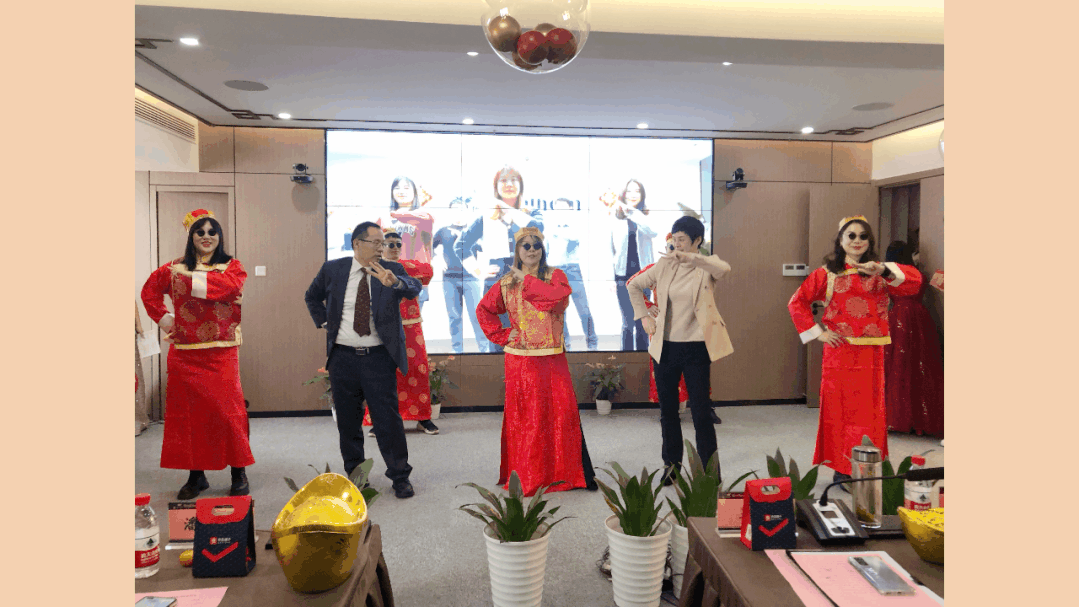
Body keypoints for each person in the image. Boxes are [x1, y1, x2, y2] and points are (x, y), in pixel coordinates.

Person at [787, 216, 923, 486]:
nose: (857, 241)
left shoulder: (880, 272)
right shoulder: (827, 273)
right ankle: (842, 468)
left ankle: (866, 466)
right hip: (840, 353)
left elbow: (915, 282)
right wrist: (820, 333)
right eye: (851, 235)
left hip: (871, 354)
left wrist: (882, 270)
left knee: (870, 413)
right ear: (840, 240)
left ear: (870, 241)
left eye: (863, 236)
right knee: (840, 412)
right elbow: (797, 302)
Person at [140, 209, 254, 499]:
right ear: (191, 236)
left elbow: (227, 288)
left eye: (212, 232)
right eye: (199, 232)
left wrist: (188, 279)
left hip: (221, 352)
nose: (206, 236)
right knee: (189, 418)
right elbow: (149, 292)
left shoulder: (232, 267)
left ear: (219, 236)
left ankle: (238, 472)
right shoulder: (173, 268)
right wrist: (167, 321)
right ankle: (196, 475)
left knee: (228, 414)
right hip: (185, 353)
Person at [304, 221, 423, 499]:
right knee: (348, 422)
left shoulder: (391, 269)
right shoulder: (333, 269)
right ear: (357, 244)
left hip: (378, 358)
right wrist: (325, 323)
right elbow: (311, 297)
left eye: (384, 243)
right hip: (342, 358)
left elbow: (414, 287)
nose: (382, 247)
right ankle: (356, 478)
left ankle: (400, 476)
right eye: (376, 242)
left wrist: (395, 283)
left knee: (387, 421)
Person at [476, 227, 597, 497]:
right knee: (526, 418)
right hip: (519, 361)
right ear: (517, 250)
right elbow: (484, 310)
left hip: (551, 359)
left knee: (560, 414)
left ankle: (565, 473)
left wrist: (526, 279)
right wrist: (503, 335)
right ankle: (529, 475)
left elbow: (555, 300)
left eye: (537, 246)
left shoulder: (556, 276)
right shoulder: (506, 282)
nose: (532, 250)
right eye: (526, 246)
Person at [627, 216, 732, 484]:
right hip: (665, 348)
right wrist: (644, 317)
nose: (676, 244)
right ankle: (671, 467)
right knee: (668, 412)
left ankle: (710, 473)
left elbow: (724, 269)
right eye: (674, 239)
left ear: (697, 241)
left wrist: (692, 258)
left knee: (701, 413)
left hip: (696, 347)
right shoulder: (664, 264)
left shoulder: (706, 265)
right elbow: (633, 285)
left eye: (682, 239)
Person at [455, 166, 543, 352]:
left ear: (521, 185)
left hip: (528, 274)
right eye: (503, 180)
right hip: (498, 276)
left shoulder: (531, 213)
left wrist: (508, 210)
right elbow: (460, 245)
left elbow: (538, 230)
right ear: (496, 186)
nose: (509, 184)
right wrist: (477, 270)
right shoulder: (486, 216)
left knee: (531, 332)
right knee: (499, 335)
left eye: (513, 180)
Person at [363, 229, 440, 435]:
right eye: (390, 244)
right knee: (382, 372)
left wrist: (395, 268)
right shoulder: (371, 268)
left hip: (411, 326)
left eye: (398, 244)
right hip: (382, 326)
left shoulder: (407, 266)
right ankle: (379, 420)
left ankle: (423, 418)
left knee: (418, 369)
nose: (395, 248)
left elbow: (428, 271)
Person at [883, 241, 944, 437]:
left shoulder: (888, 273)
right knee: (920, 364)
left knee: (898, 364)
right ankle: (921, 417)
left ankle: (896, 418)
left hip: (898, 316)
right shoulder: (916, 273)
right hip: (919, 317)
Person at [431, 197, 489, 353]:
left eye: (461, 209)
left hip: (471, 279)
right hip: (449, 280)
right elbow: (428, 248)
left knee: (477, 316)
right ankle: (457, 350)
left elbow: (489, 248)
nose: (458, 212)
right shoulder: (443, 231)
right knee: (454, 317)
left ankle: (485, 349)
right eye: (455, 209)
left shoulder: (474, 231)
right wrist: (436, 257)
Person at [610, 179, 659, 351]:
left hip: (643, 278)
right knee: (627, 323)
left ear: (642, 195)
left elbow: (653, 232)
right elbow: (610, 249)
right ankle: (626, 360)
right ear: (624, 194)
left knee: (642, 321)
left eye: (637, 191)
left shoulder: (644, 216)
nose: (633, 195)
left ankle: (643, 360)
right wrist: (610, 278)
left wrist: (633, 212)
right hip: (623, 277)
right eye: (629, 191)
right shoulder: (615, 218)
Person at [545, 198, 599, 351]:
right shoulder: (549, 229)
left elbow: (573, 238)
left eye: (564, 207)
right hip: (555, 271)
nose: (560, 211)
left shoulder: (575, 226)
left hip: (572, 270)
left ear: (570, 209)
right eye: (557, 208)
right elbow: (546, 251)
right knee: (559, 312)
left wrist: (558, 229)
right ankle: (566, 344)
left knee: (584, 310)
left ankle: (592, 342)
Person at [384, 176, 434, 309]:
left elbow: (425, 220)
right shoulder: (383, 219)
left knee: (413, 319)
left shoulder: (423, 216)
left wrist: (394, 214)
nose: (401, 191)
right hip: (390, 276)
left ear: (414, 192)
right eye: (397, 188)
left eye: (406, 188)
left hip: (416, 277)